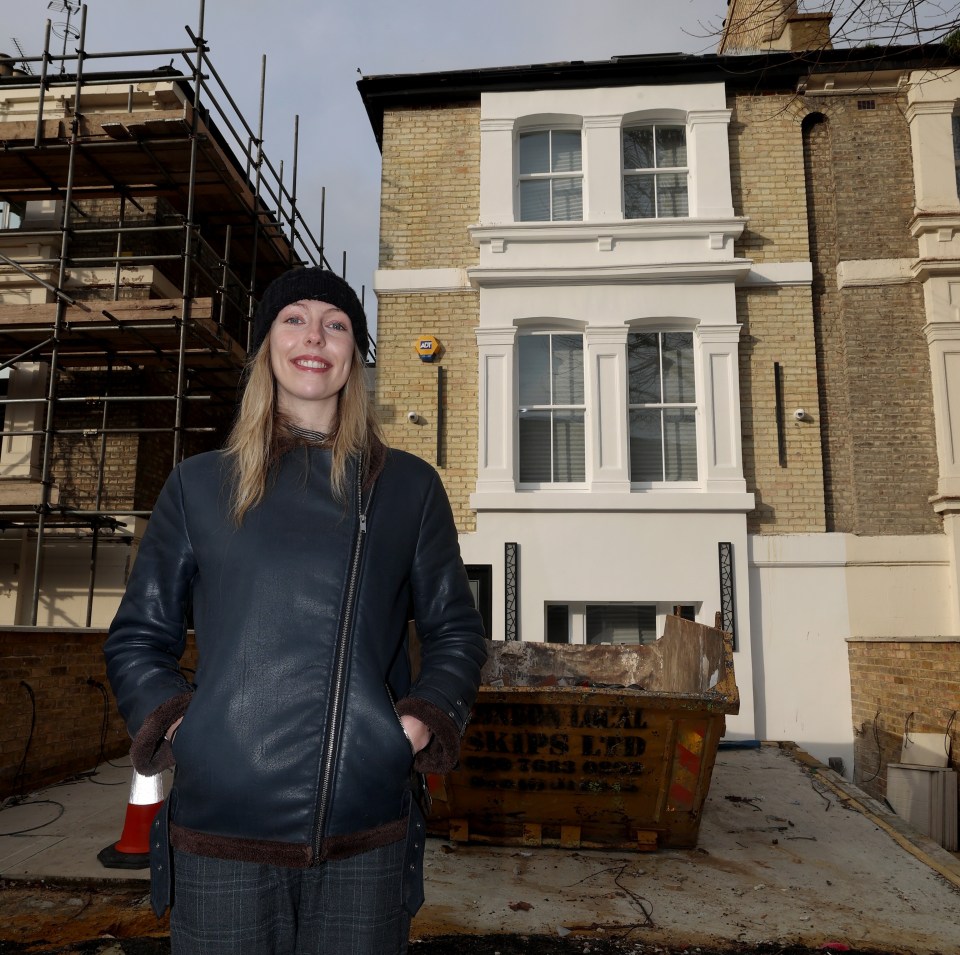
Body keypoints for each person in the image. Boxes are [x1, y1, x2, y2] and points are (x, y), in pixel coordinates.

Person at [104, 267, 487, 955]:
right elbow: (138, 636)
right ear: (266, 346)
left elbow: (455, 629)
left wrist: (416, 722)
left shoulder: (407, 488)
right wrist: (186, 725)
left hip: (365, 826)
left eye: (336, 324)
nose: (315, 336)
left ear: (354, 355)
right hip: (222, 825)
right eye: (295, 319)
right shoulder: (198, 485)